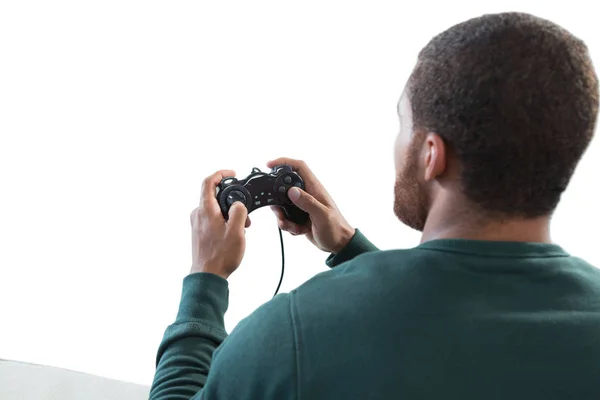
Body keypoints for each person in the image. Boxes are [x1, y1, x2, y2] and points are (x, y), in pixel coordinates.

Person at [149, 12, 599, 400]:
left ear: (430, 154)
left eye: (402, 124)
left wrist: (205, 280)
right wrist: (349, 247)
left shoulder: (298, 331)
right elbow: (453, 325)